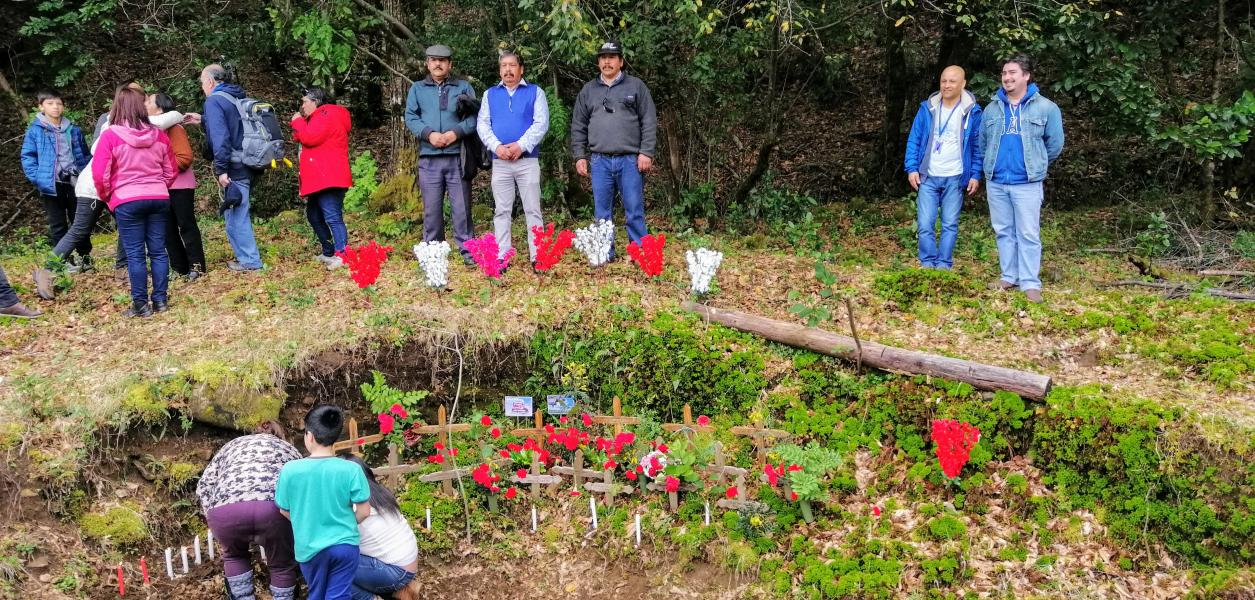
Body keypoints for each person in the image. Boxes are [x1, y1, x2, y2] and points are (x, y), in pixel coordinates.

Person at [979, 55, 1065, 304]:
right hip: (997, 181)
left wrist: (1036, 165)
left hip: (1027, 183)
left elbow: (1055, 144)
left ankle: (1030, 283)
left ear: (1026, 76)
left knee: (1028, 233)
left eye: (1013, 72)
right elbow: (983, 142)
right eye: (1004, 73)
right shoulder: (992, 108)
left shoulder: (1046, 108)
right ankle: (1009, 276)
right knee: (1003, 231)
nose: (1007, 77)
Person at [92, 85, 177, 318]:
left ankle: (140, 305)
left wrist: (109, 196)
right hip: (158, 197)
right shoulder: (158, 134)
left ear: (118, 107)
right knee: (159, 252)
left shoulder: (109, 136)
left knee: (135, 254)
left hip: (127, 199)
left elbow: (100, 174)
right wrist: (160, 187)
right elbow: (171, 170)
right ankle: (160, 301)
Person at [570, 40, 657, 259]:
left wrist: (646, 152)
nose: (607, 62)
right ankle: (603, 253)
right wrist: (580, 155)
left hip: (630, 160)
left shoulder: (636, 86)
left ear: (621, 61)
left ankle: (638, 254)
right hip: (599, 161)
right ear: (599, 62)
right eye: (603, 58)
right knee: (602, 213)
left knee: (634, 210)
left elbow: (649, 120)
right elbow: (578, 125)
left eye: (611, 57)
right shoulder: (588, 90)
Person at [195, 422, 302, 600]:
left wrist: (212, 517)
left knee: (234, 557)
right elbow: (302, 482)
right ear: (279, 435)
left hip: (225, 510)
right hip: (273, 510)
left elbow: (204, 486)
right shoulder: (287, 448)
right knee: (281, 565)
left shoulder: (230, 446)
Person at [275, 406, 370, 600]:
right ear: (336, 437)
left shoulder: (290, 470)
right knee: (339, 595)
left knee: (316, 594)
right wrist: (345, 524)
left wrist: (305, 522)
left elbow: (284, 510)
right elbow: (364, 511)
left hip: (310, 548)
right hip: (345, 545)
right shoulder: (351, 469)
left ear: (309, 436)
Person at [404, 44, 478, 266]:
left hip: (458, 156)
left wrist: (455, 133)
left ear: (450, 64)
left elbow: (476, 118)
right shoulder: (417, 89)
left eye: (442, 60)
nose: (438, 64)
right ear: (427, 64)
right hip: (429, 157)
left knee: (462, 208)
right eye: (433, 60)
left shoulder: (463, 86)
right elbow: (411, 117)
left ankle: (468, 251)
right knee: (432, 209)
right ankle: (434, 254)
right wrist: (429, 134)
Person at [904, 65, 983, 270]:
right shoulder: (927, 108)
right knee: (925, 224)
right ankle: (927, 263)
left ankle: (944, 265)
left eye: (952, 81)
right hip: (928, 176)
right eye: (944, 81)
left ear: (963, 84)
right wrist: (912, 168)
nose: (947, 85)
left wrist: (975, 174)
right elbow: (914, 139)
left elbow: (977, 146)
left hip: (955, 176)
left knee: (949, 224)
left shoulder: (972, 112)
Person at [477, 51, 549, 270]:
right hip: (500, 162)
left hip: (527, 161)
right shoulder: (490, 94)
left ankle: (538, 257)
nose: (508, 70)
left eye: (512, 65)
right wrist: (497, 147)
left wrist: (521, 145)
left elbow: (541, 124)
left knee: (533, 209)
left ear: (521, 69)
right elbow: (483, 124)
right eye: (504, 66)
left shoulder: (535, 92)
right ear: (500, 70)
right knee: (502, 210)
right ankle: (501, 257)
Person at [201, 64, 264, 272]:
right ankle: (246, 258)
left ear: (210, 82)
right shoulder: (235, 97)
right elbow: (233, 126)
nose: (202, 87)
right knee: (235, 212)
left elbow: (221, 137)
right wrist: (202, 120)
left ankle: (251, 261)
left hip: (234, 166)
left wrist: (221, 169)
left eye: (202, 82)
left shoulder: (214, 101)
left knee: (238, 213)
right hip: (250, 162)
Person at [20, 89, 91, 273]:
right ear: (41, 106)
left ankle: (86, 258)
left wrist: (85, 174)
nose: (55, 107)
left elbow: (85, 155)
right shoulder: (35, 131)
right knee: (58, 224)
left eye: (58, 103)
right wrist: (38, 179)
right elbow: (28, 157)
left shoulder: (73, 129)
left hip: (76, 182)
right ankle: (64, 261)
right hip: (51, 184)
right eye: (50, 104)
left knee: (80, 221)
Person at [291, 87, 352, 270]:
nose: (302, 106)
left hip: (329, 176)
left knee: (332, 216)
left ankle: (343, 255)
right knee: (314, 215)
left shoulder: (326, 114)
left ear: (315, 102)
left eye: (305, 102)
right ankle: (329, 251)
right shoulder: (321, 116)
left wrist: (298, 122)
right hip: (320, 177)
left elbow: (310, 137)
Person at [344, 456, 421, 600]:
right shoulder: (379, 493)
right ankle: (401, 590)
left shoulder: (356, 504)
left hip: (396, 571)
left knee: (335, 570)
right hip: (408, 564)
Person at [147, 93, 206, 280]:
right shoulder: (149, 129)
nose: (144, 104)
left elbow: (185, 158)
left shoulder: (174, 128)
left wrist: (161, 171)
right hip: (160, 187)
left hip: (180, 185)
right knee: (167, 229)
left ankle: (197, 265)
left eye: (149, 101)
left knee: (186, 224)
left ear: (160, 108)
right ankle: (179, 267)